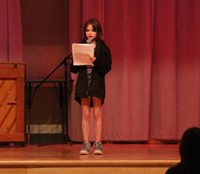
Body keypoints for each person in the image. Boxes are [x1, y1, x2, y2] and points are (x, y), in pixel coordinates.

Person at [70, 18, 112, 155]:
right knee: (85, 114)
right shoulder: (81, 45)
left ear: (97, 31)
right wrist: (77, 59)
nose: (89, 33)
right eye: (87, 30)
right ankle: (86, 143)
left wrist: (96, 61)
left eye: (92, 30)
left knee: (97, 113)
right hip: (84, 83)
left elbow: (107, 67)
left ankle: (98, 143)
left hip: (96, 82)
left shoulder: (102, 46)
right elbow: (74, 69)